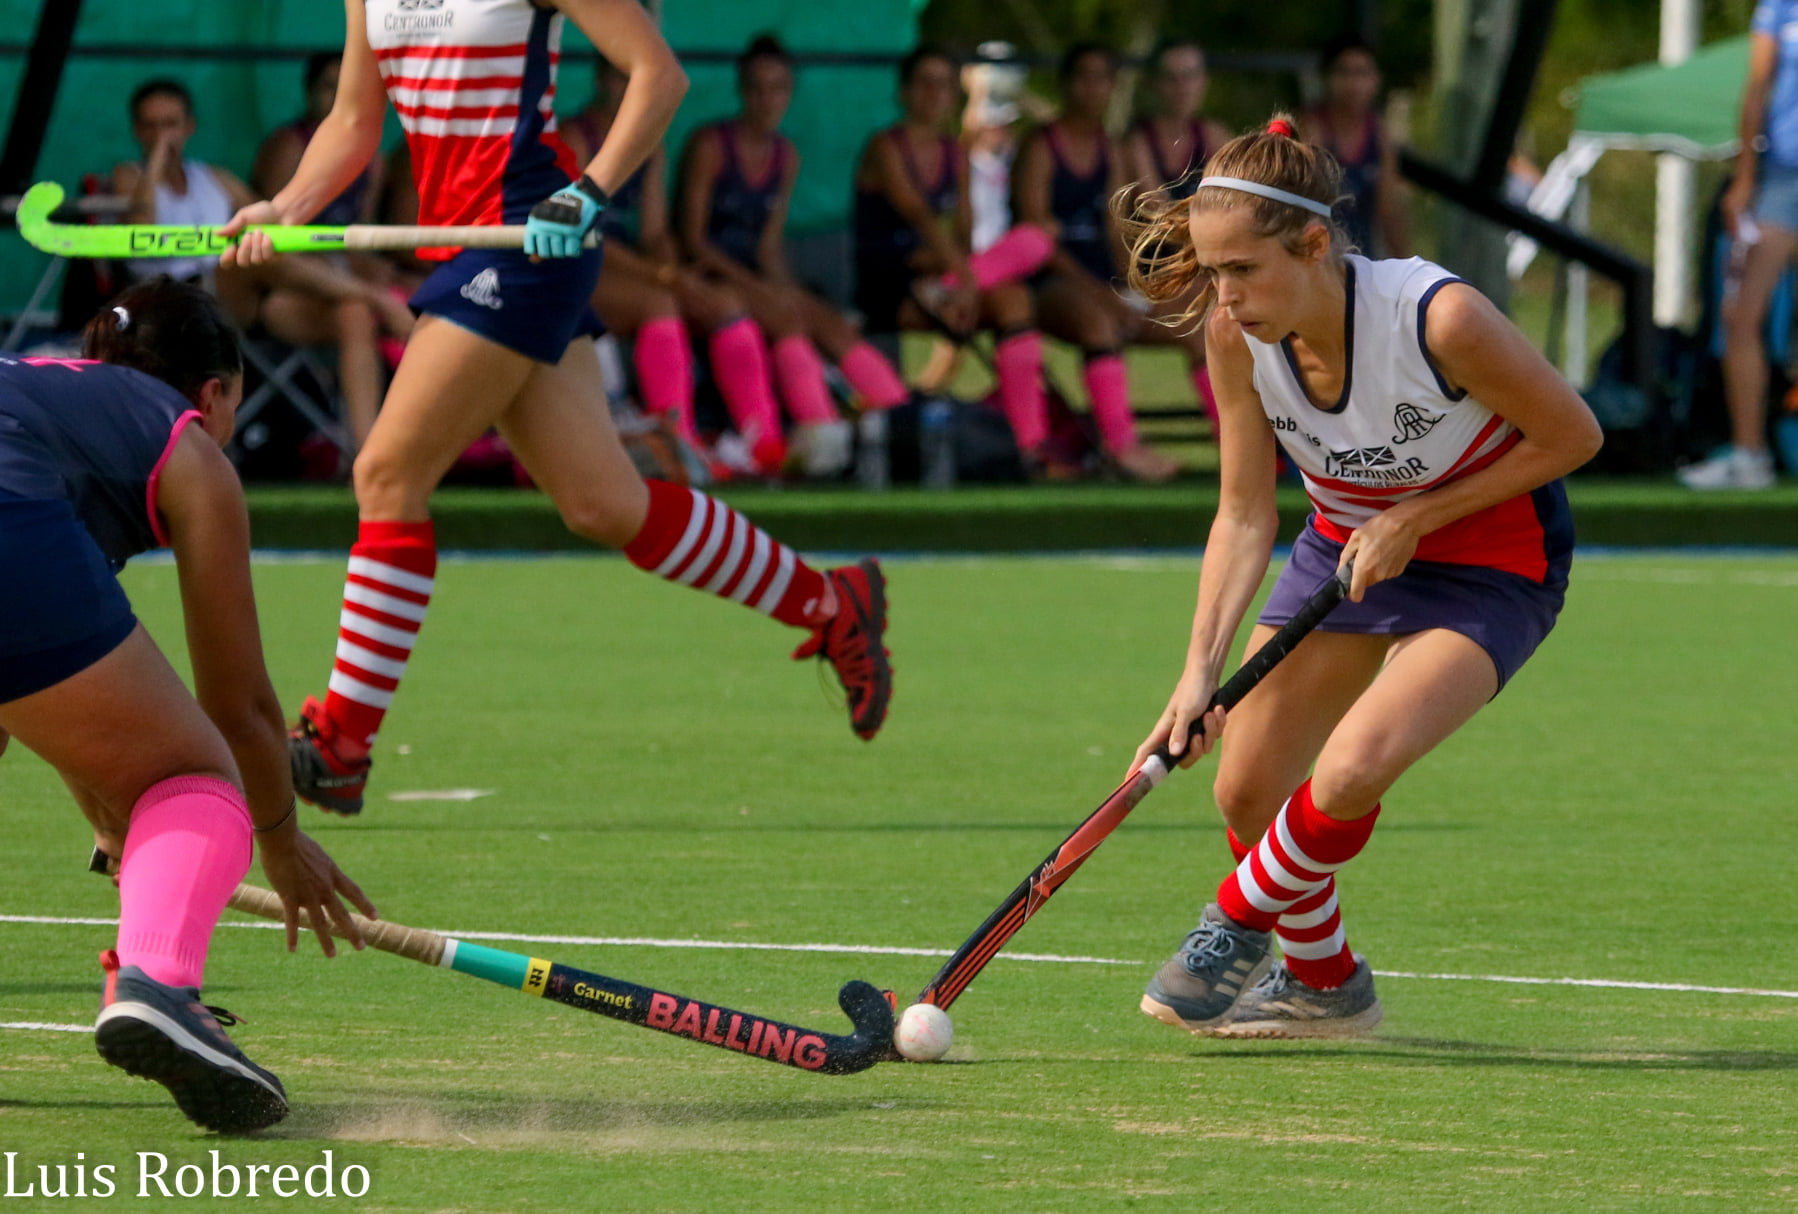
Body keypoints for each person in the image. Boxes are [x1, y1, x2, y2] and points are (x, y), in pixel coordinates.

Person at [222, 0, 894, 817]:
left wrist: (589, 193)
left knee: (387, 471)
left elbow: (659, 76)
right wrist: (284, 209)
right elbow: (355, 120)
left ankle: (340, 745)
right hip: (467, 248)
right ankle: (831, 603)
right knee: (603, 504)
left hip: (529, 237)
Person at [1121, 117, 1601, 1037]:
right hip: (1345, 554)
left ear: (1312, 245)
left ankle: (1237, 918)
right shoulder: (1236, 337)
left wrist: (1416, 517)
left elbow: (1574, 435)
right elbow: (1245, 513)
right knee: (1247, 789)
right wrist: (1196, 677)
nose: (1225, 295)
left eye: (1242, 270)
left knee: (1352, 768)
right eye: (1214, 272)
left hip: (1494, 565)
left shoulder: (1439, 318)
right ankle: (1325, 984)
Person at [0, 278, 374, 1132]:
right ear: (212, 395)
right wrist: (278, 840)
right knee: (196, 776)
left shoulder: (46, 399)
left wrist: (110, 817)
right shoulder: (189, 445)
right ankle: (159, 985)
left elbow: (39, 696)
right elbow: (239, 708)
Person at [115, 79, 413, 452]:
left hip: (244, 300)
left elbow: (274, 228)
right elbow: (140, 231)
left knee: (350, 311)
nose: (164, 135)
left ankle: (366, 454)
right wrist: (158, 160)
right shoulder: (129, 177)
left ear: (190, 126)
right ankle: (382, 299)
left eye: (171, 124)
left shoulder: (215, 178)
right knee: (248, 253)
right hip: (177, 302)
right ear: (136, 130)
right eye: (152, 125)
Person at [676, 34, 915, 454]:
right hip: (707, 275)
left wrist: (790, 293)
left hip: (752, 277)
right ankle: (810, 438)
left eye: (778, 88)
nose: (768, 100)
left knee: (831, 324)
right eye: (758, 88)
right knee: (784, 324)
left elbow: (769, 247)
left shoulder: (787, 155)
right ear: (742, 91)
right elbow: (694, 241)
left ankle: (902, 424)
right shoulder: (711, 145)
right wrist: (764, 292)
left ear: (790, 93)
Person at [563, 55, 792, 476]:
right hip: (571, 269)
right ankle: (679, 444)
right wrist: (664, 277)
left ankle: (764, 448)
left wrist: (675, 272)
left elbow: (654, 231)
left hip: (629, 269)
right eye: (619, 77)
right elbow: (577, 233)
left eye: (637, 78)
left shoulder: (649, 140)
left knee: (722, 303)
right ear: (599, 79)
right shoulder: (576, 137)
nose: (629, 87)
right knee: (660, 304)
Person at [852, 46, 1059, 464]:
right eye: (925, 83)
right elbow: (921, 216)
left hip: (944, 279)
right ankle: (956, 292)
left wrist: (956, 278)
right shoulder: (885, 146)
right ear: (905, 92)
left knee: (1016, 295)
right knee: (1033, 243)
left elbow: (962, 230)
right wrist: (962, 280)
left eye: (943, 84)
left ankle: (1027, 446)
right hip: (889, 285)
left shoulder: (954, 152)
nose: (934, 93)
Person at [1012, 43, 1194, 483]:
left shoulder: (1110, 149)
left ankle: (1240, 450)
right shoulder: (1041, 146)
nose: (1093, 88)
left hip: (1100, 285)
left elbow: (1115, 231)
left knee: (1195, 326)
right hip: (1047, 285)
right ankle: (1121, 447)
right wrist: (1105, 298)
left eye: (1103, 78)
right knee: (1099, 323)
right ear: (1066, 84)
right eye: (1084, 77)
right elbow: (1039, 243)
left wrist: (1128, 289)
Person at [1680, 0, 1798, 491]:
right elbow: (1758, 88)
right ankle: (1750, 455)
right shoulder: (1778, 6)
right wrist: (1745, 180)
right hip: (1781, 178)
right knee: (1741, 316)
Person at [1298, 35, 1410, 260]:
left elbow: (1388, 208)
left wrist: (1405, 266)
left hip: (1362, 258)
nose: (1354, 83)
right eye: (1344, 73)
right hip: (1315, 256)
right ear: (1328, 78)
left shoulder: (1379, 134)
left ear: (1376, 79)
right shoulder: (1311, 129)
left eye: (1362, 73)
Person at [1121, 39, 1232, 204]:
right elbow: (1155, 210)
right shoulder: (1137, 141)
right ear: (1155, 83)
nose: (1182, 87)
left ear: (1204, 81)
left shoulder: (1214, 134)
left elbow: (1234, 199)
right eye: (1171, 77)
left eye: (1190, 76)